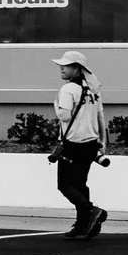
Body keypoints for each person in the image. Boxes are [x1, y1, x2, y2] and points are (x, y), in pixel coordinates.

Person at [48, 49, 108, 241]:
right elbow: (100, 115)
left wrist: (56, 105)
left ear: (77, 68)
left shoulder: (68, 90)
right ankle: (83, 225)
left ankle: (91, 211)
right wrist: (103, 141)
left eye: (65, 66)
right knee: (80, 185)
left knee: (65, 185)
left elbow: (64, 116)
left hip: (72, 144)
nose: (61, 69)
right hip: (90, 144)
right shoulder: (94, 89)